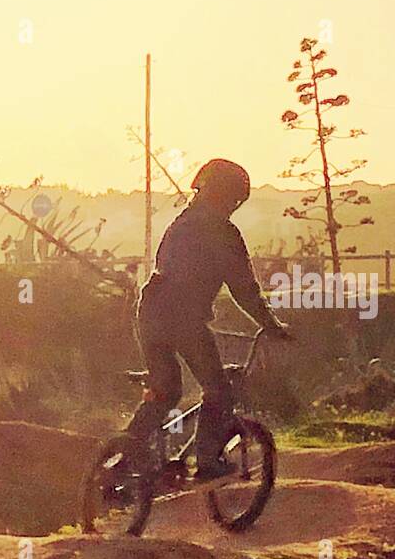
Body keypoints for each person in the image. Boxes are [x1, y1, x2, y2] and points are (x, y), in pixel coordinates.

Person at [125, 158, 291, 481]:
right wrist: (271, 326)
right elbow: (245, 289)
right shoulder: (223, 232)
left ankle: (122, 459)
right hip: (183, 317)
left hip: (150, 312)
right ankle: (207, 462)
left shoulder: (181, 223)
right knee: (219, 392)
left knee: (166, 392)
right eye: (232, 199)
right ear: (228, 197)